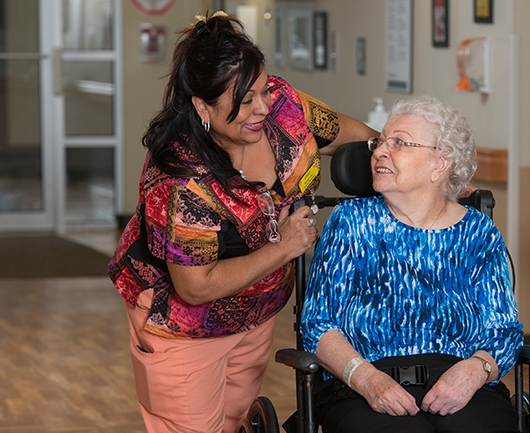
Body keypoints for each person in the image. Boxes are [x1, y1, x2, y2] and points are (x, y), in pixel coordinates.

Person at [108, 12, 377, 433]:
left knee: (235, 423)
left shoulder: (283, 105)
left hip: (256, 311)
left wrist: (406, 163)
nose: (263, 108)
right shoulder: (181, 178)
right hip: (184, 329)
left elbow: (346, 133)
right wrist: (285, 247)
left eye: (263, 90)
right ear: (202, 106)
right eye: (245, 100)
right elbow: (195, 287)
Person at [301, 95, 524, 433]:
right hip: (364, 381)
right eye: (380, 142)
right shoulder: (351, 222)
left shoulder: (477, 232)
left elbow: (503, 331)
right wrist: (367, 380)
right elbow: (318, 325)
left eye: (400, 143)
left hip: (458, 379)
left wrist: (472, 372)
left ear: (441, 163)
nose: (378, 152)